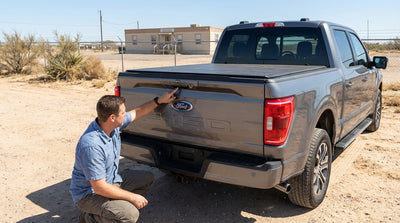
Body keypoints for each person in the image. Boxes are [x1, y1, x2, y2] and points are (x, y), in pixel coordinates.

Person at [69, 88, 178, 223]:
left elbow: (137, 112)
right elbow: (99, 187)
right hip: (89, 195)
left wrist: (159, 100)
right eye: (122, 113)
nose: (126, 115)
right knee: (130, 215)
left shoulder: (110, 126)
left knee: (147, 178)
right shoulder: (92, 146)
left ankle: (114, 208)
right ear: (112, 117)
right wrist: (132, 197)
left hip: (111, 181)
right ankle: (90, 217)